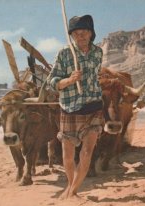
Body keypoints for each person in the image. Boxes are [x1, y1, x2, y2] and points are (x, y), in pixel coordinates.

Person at [47, 15, 104, 199]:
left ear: (91, 33)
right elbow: (52, 82)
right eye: (76, 33)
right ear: (71, 36)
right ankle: (70, 185)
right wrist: (69, 80)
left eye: (84, 32)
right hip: (70, 109)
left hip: (93, 107)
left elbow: (95, 77)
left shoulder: (98, 52)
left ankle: (73, 190)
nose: (81, 36)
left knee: (87, 152)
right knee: (68, 157)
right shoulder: (64, 53)